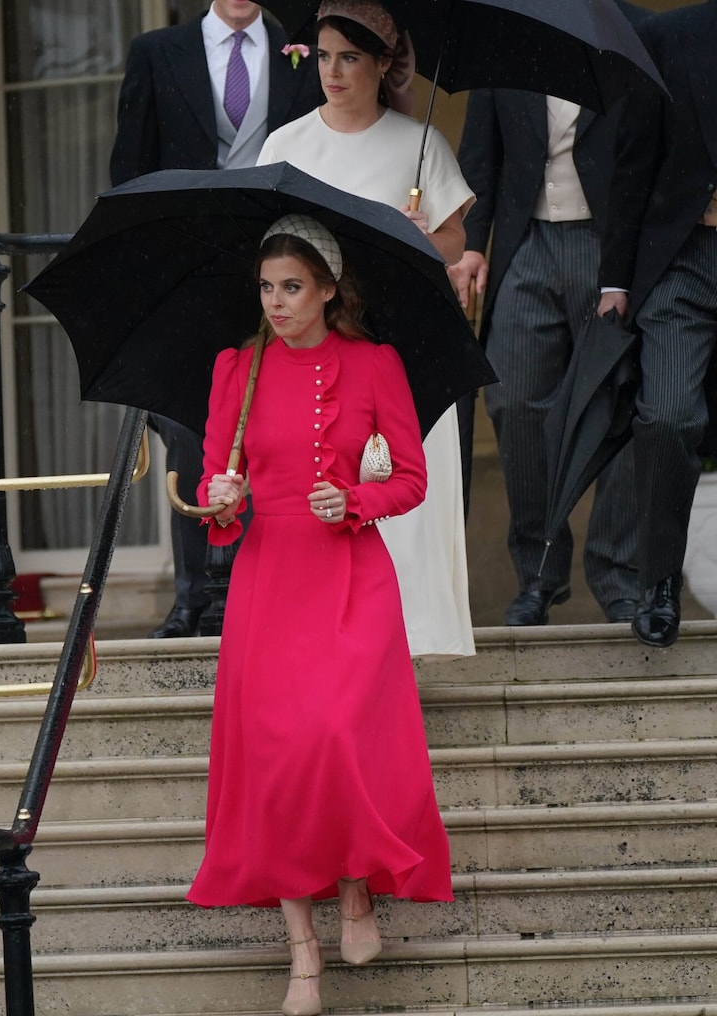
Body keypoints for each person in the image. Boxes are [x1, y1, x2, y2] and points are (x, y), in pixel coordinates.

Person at [186, 215, 453, 1016]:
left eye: (292, 287)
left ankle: (357, 896)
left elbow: (411, 479)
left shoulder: (373, 365)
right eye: (266, 287)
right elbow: (212, 484)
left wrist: (356, 500)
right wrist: (218, 500)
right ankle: (303, 951)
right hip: (268, 579)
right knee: (274, 761)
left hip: (349, 574)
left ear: (329, 289)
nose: (276, 302)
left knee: (335, 736)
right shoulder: (235, 368)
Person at [257, 0, 477, 657]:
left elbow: (453, 239)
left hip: (398, 346)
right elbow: (264, 243)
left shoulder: (420, 145)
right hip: (314, 350)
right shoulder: (285, 146)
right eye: (324, 56)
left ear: (383, 64)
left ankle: (409, 638)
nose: (333, 71)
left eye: (350, 57)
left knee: (394, 486)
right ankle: (322, 635)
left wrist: (421, 237)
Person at [109, 0, 322, 638]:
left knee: (278, 426)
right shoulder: (155, 52)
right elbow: (130, 172)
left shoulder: (304, 54)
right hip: (187, 272)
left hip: (279, 266)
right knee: (190, 429)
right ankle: (193, 594)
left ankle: (260, 590)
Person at [448, 0, 648, 627]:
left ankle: (617, 575)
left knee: (620, 406)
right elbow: (482, 152)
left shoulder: (635, 32)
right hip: (526, 243)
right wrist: (474, 244)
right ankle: (538, 570)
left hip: (611, 246)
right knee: (512, 398)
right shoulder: (506, 37)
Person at [597, 0, 717, 648]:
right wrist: (615, 280)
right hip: (684, 262)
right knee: (667, 416)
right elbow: (633, 161)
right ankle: (658, 582)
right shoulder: (667, 37)